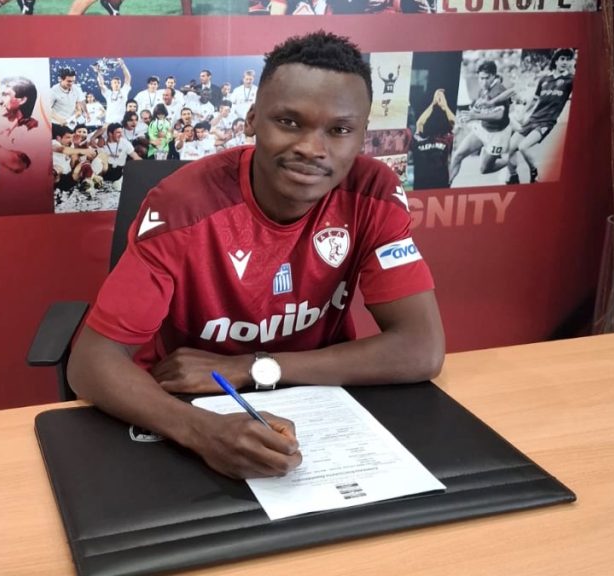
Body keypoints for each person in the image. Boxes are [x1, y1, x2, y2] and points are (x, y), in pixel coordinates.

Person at [69, 31, 444, 480]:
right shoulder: (181, 206)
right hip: (188, 405)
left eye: (340, 130)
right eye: (289, 122)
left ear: (362, 135)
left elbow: (421, 348)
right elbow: (91, 362)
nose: (312, 148)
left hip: (320, 400)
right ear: (251, 120)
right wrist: (200, 432)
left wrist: (252, 368)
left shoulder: (374, 193)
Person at [505, 49, 575, 184]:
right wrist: (523, 113)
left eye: (568, 59)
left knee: (523, 147)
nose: (565, 62)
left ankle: (534, 172)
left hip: (546, 122)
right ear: (556, 61)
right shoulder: (544, 80)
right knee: (509, 148)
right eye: (562, 59)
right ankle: (513, 177)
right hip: (532, 119)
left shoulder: (570, 80)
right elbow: (534, 100)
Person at [449, 60, 515, 184]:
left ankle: (509, 160)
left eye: (487, 78)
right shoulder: (484, 89)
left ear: (494, 76)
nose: (483, 82)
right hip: (484, 129)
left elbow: (499, 116)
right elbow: (479, 107)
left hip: (497, 135)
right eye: (481, 78)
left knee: (484, 169)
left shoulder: (499, 90)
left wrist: (475, 116)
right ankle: (447, 185)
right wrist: (468, 114)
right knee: (457, 155)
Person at [97, 58, 132, 126]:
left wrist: (123, 65)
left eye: (118, 82)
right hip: (109, 121)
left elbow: (128, 78)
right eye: (115, 82)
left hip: (122, 121)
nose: (117, 84)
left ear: (120, 84)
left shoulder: (124, 91)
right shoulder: (108, 93)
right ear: (111, 84)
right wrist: (99, 72)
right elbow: (101, 84)